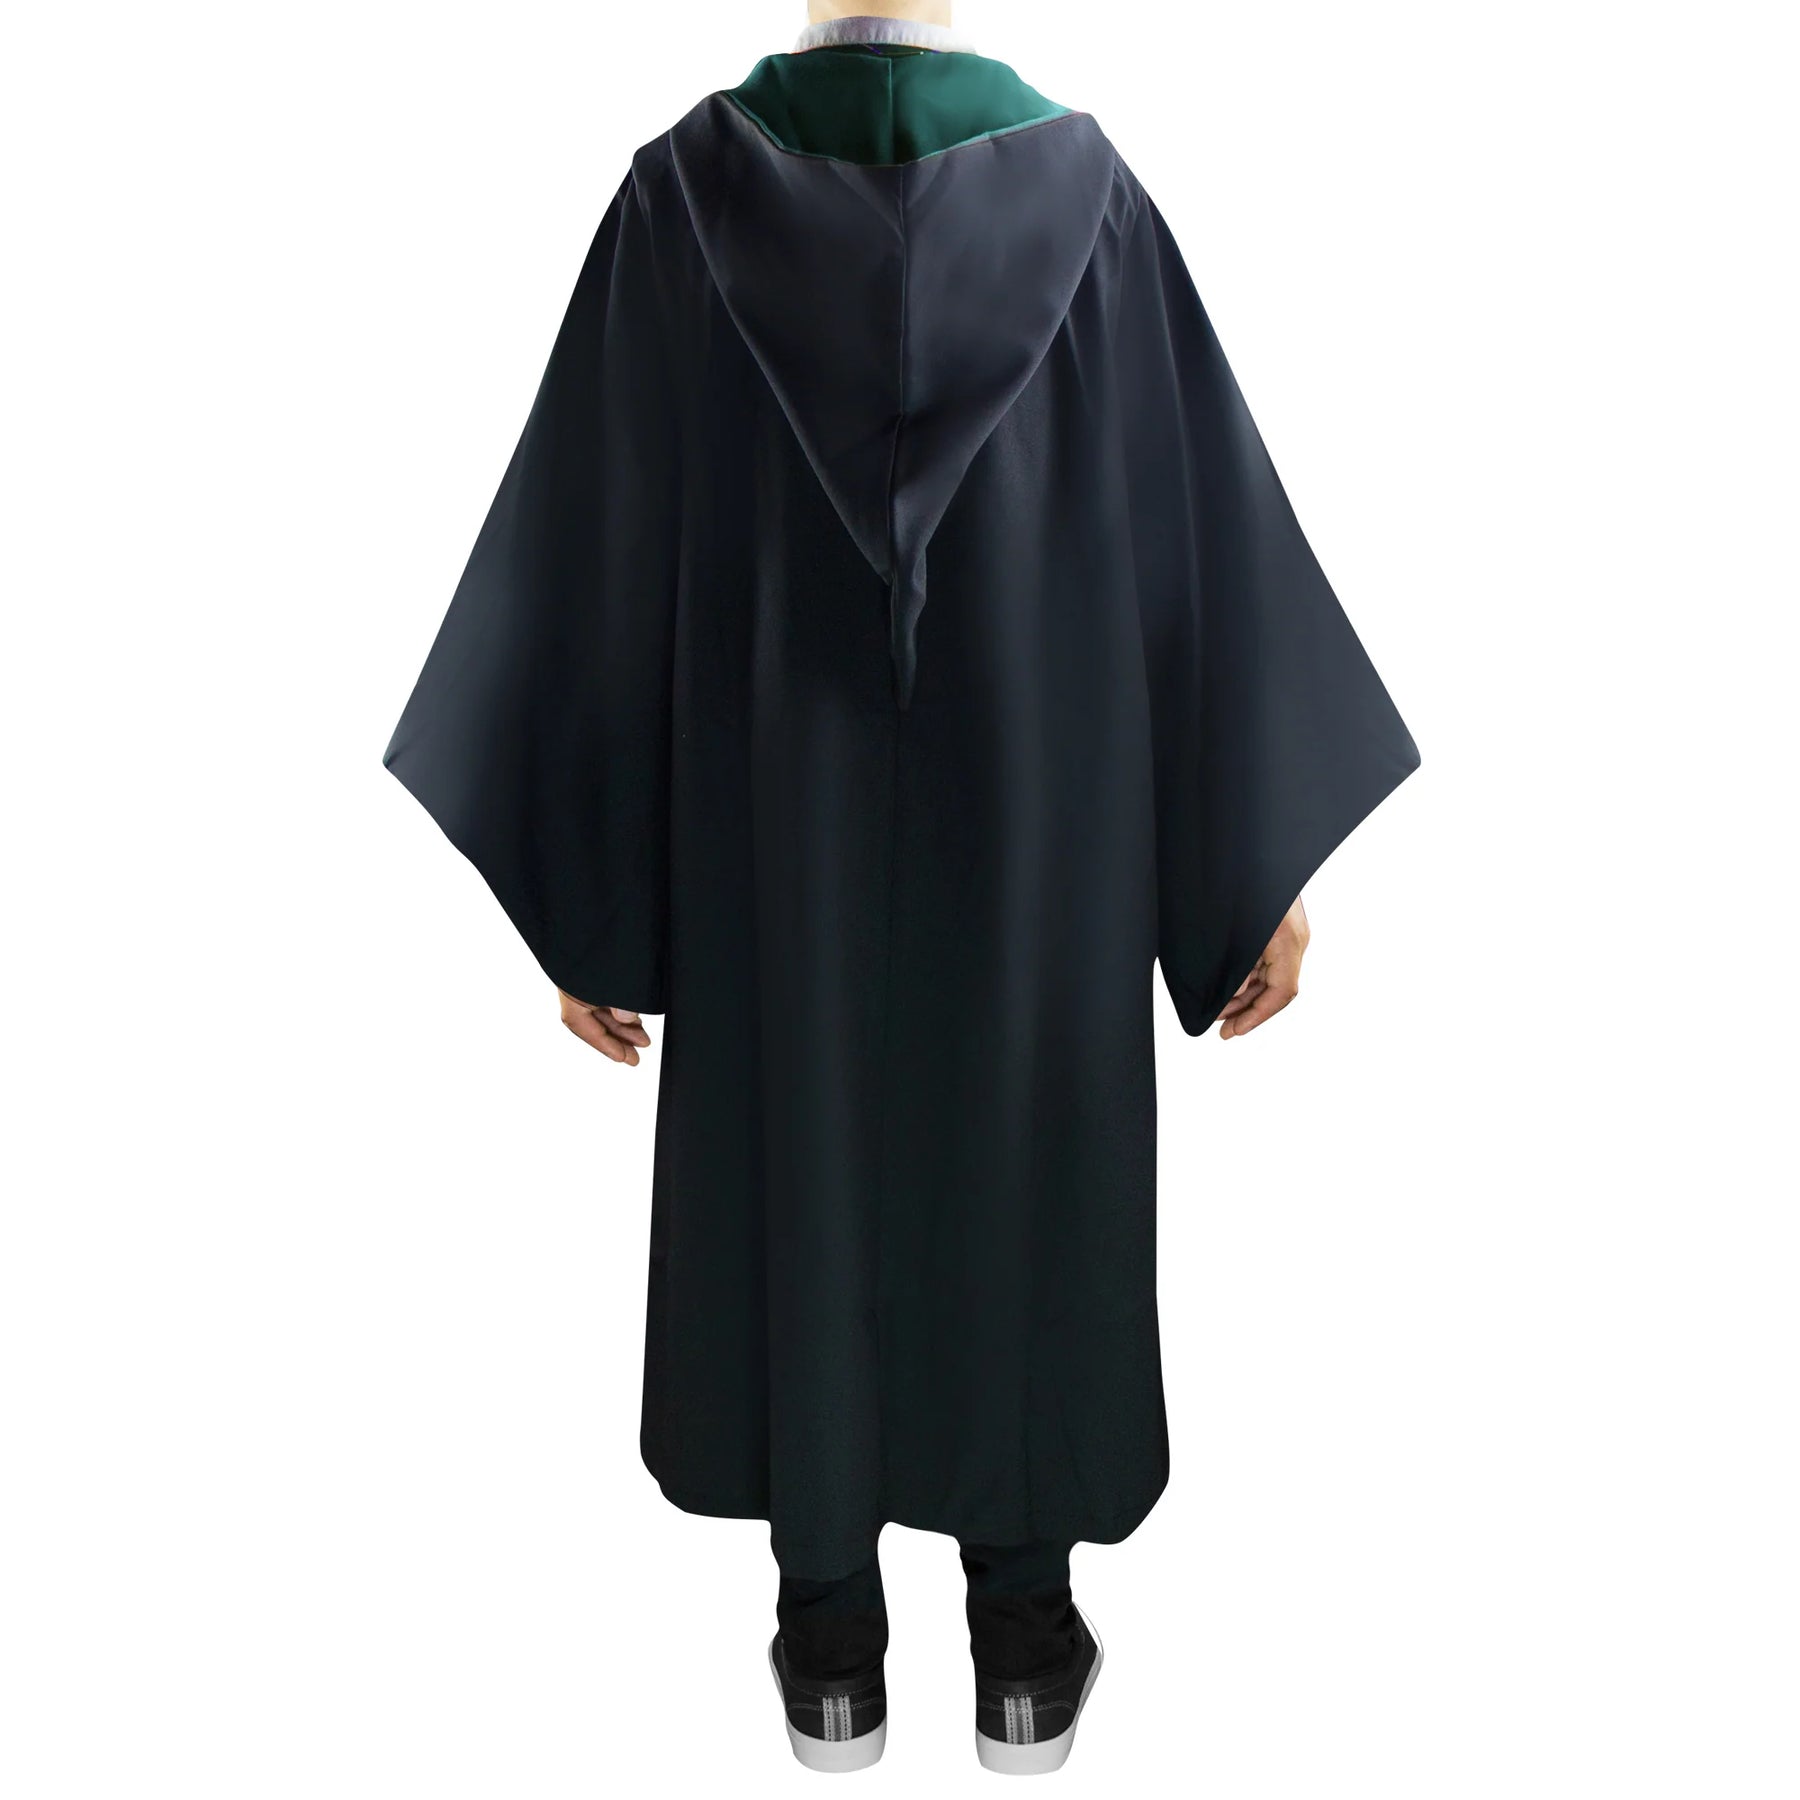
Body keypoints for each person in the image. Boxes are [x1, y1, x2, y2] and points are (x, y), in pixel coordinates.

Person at [385, 3, 1419, 1774]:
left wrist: (592, 887)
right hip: (1047, 809)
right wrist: (1244, 871)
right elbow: (1188, 557)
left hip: (767, 815)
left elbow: (598, 560)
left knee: (806, 1139)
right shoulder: (1088, 201)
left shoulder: (681, 203)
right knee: (1023, 1144)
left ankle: (827, 1639)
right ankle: (1022, 1632)